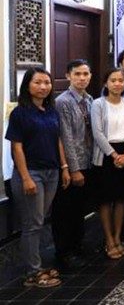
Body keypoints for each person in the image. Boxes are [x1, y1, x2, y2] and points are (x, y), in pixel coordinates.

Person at [6, 68, 69, 288]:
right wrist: (25, 178)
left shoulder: (50, 110)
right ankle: (32, 273)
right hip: (31, 173)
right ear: (28, 85)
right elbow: (17, 147)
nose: (43, 87)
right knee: (32, 224)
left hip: (52, 172)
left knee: (40, 220)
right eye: (38, 83)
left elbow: (58, 140)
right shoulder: (20, 112)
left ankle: (36, 265)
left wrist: (64, 167)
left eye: (47, 82)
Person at [51, 59, 94, 270]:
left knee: (79, 209)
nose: (82, 78)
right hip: (72, 165)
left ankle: (77, 247)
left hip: (88, 161)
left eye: (85, 74)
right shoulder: (63, 102)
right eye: (77, 74)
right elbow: (66, 137)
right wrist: (73, 168)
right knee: (65, 211)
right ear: (68, 76)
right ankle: (64, 252)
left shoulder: (90, 99)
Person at [91, 68, 124, 260]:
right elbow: (97, 133)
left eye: (121, 80)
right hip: (105, 156)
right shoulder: (98, 104)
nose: (117, 83)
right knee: (105, 200)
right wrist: (114, 155)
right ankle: (108, 240)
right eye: (113, 80)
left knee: (121, 199)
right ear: (105, 83)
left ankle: (118, 238)